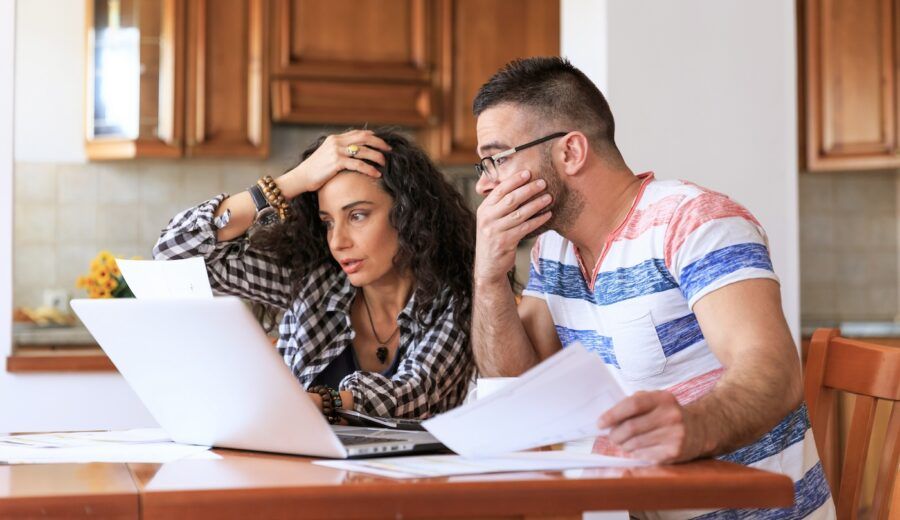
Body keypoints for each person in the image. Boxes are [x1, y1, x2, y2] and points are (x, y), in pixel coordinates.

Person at [470, 57, 834, 519]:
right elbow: (522, 396)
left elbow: (776, 374)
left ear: (570, 152)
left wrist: (694, 426)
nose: (486, 184)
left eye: (497, 159)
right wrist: (488, 279)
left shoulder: (697, 222)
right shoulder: (553, 252)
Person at [153, 129, 475, 421]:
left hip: (418, 483)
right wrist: (291, 182)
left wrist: (317, 402)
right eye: (328, 222)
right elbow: (172, 253)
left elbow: (415, 394)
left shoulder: (456, 299)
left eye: (358, 216)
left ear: (408, 214)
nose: (338, 241)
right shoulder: (314, 284)